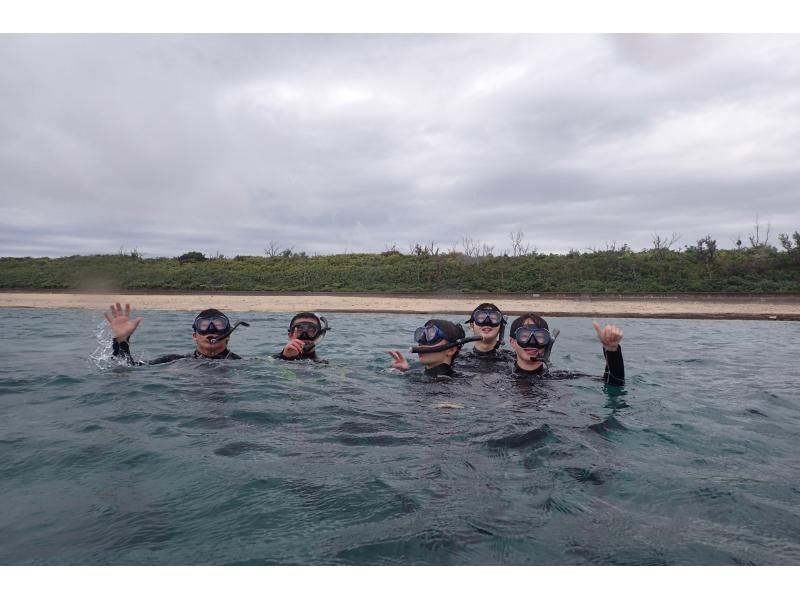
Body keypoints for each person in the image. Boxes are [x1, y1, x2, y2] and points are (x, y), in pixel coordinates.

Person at [105, 302, 246, 365]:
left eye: (218, 325)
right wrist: (121, 340)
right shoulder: (173, 361)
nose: (210, 330)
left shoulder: (241, 364)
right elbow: (126, 368)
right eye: (203, 325)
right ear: (194, 336)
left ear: (227, 336)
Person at [508, 312, 625, 385]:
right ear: (512, 342)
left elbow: (615, 384)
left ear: (548, 341)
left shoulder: (561, 377)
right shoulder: (499, 376)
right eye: (524, 336)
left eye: (539, 337)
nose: (532, 343)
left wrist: (611, 349)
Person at [387, 319, 480, 378]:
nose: (421, 343)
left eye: (432, 337)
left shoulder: (455, 383)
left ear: (451, 350)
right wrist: (404, 370)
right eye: (423, 335)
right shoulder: (416, 373)